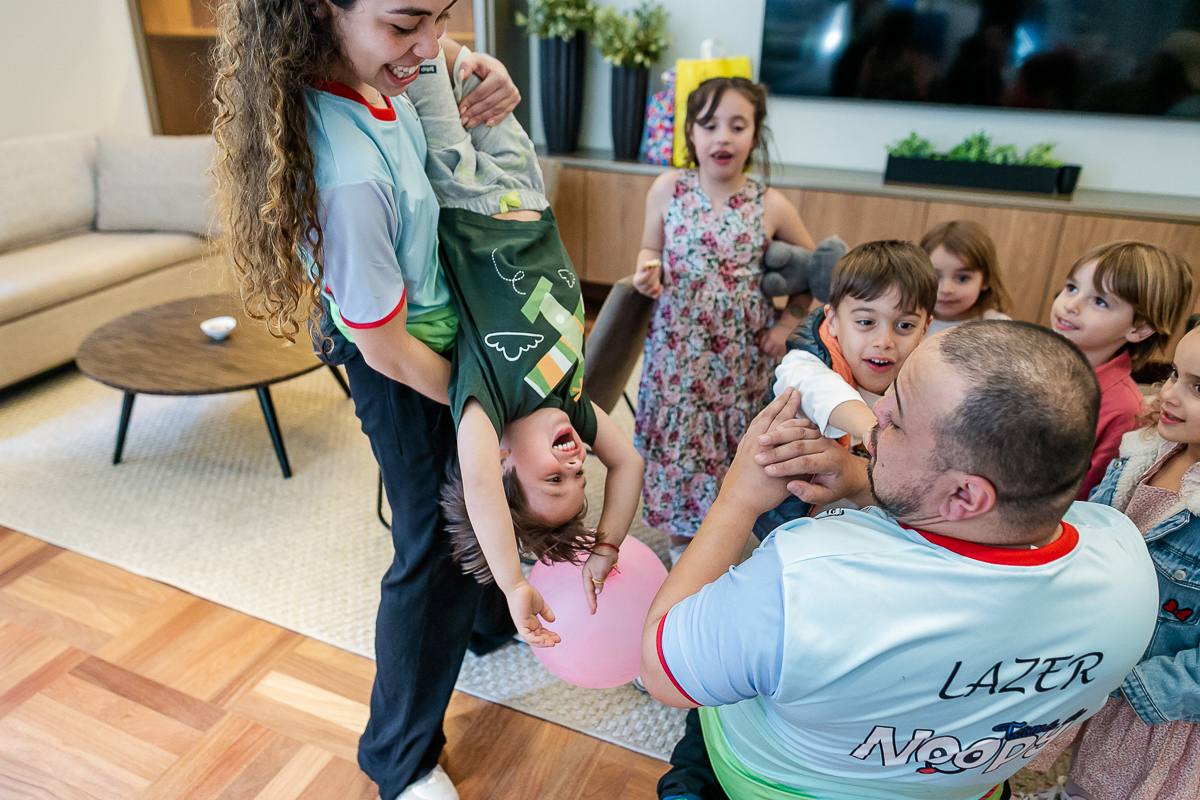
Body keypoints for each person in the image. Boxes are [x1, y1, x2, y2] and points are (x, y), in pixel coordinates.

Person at [640, 320, 1160, 800]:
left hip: (777, 782)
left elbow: (663, 673)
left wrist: (736, 500)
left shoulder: (802, 579)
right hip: (967, 787)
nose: (876, 409)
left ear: (963, 496)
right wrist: (872, 481)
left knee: (699, 740)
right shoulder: (1128, 563)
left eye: (898, 419)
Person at [212, 2, 523, 799]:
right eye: (406, 24)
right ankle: (400, 760)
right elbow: (381, 344)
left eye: (443, 16)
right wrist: (476, 404)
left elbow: (433, 66)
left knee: (475, 500)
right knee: (432, 545)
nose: (430, 43)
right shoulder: (347, 174)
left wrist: (475, 73)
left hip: (427, 322)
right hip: (396, 359)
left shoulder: (377, 72)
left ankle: (488, 628)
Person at [403, 45, 644, 643]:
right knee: (474, 72)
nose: (575, 464)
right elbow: (630, 462)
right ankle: (446, 40)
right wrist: (606, 548)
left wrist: (514, 583)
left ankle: (427, 32)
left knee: (426, 56)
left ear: (505, 460)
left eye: (553, 481)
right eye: (578, 478)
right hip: (530, 199)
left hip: (463, 198)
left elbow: (482, 488)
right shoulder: (575, 405)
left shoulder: (488, 403)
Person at [631, 76, 815, 563]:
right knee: (681, 446)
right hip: (677, 352)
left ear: (755, 135)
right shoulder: (666, 189)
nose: (723, 137)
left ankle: (729, 532)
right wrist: (648, 271)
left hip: (740, 361)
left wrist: (787, 324)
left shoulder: (771, 204)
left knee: (734, 449)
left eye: (738, 125)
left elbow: (816, 274)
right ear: (690, 132)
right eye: (709, 125)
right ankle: (681, 547)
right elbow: (651, 249)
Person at [1027, 325, 1200, 800]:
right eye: (1172, 374)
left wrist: (1137, 684)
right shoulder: (1144, 451)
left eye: (1198, 387)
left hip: (1162, 706)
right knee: (1087, 775)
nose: (1169, 394)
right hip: (1107, 667)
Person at [1049, 241, 1194, 499]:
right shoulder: (1030, 363)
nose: (1070, 305)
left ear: (1139, 328)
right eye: (1071, 288)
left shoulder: (1122, 409)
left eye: (1100, 302)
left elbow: (1087, 499)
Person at [774, 239, 937, 445]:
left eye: (904, 326)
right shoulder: (802, 363)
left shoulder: (925, 378)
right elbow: (820, 390)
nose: (884, 341)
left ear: (924, 329)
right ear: (833, 321)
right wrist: (875, 433)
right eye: (866, 322)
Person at [919, 220, 1011, 337]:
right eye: (934, 276)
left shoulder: (1000, 328)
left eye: (962, 278)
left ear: (986, 279)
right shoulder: (908, 322)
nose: (946, 289)